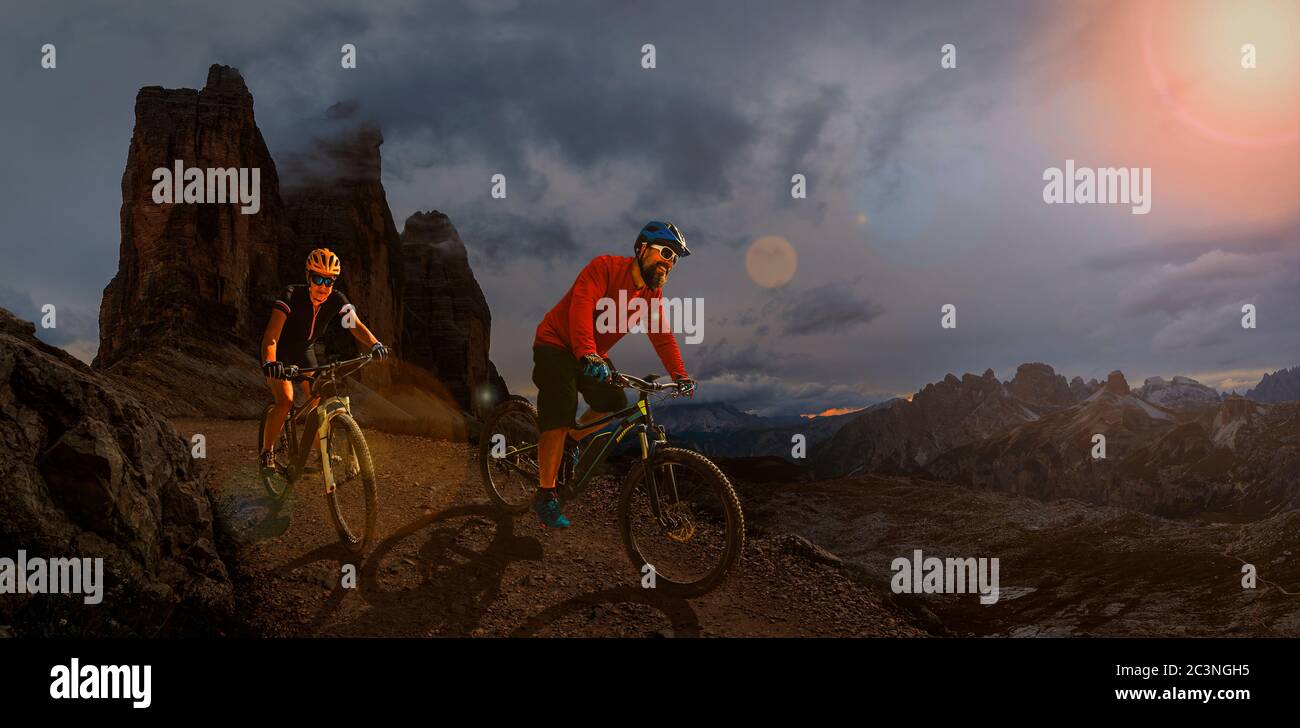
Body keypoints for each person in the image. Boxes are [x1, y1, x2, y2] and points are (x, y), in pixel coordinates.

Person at [529, 221, 696, 528]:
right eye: (665, 252)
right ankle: (545, 494)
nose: (669, 263)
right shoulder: (604, 268)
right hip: (557, 343)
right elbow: (581, 307)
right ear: (643, 249)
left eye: (674, 259)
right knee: (561, 411)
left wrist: (680, 373)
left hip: (592, 354)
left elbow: (661, 335)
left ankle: (571, 442)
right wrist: (587, 352)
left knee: (615, 401)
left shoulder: (650, 295)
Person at [258, 248, 389, 470]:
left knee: (320, 400)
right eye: (318, 278)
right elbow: (271, 337)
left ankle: (322, 453)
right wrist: (270, 363)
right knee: (286, 400)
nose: (323, 286)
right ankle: (267, 452)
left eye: (329, 281)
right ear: (308, 277)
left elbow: (355, 325)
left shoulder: (336, 300)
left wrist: (375, 344)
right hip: (280, 352)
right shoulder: (290, 295)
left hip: (305, 351)